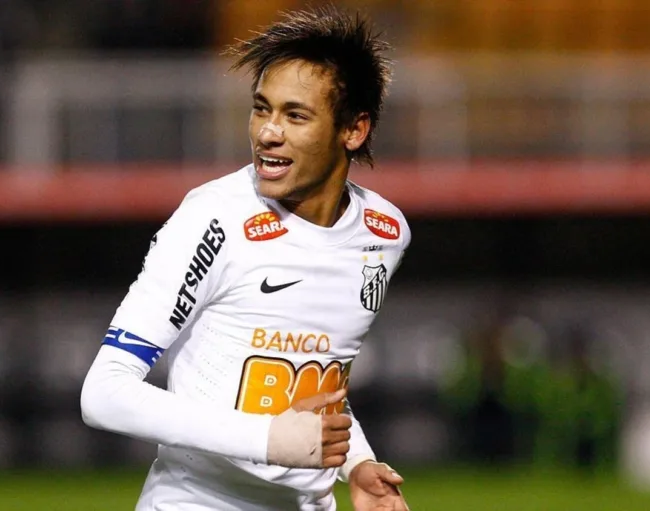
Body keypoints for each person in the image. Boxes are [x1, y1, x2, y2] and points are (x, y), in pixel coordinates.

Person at [81, 6, 412, 510]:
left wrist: (357, 465)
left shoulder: (383, 233)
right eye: (261, 109)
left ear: (354, 129)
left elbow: (314, 377)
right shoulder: (213, 218)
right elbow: (104, 393)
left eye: (295, 115)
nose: (267, 133)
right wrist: (265, 439)